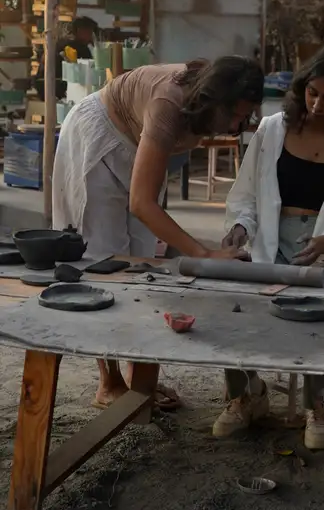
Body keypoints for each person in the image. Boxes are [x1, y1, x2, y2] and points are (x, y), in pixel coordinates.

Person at [52, 56, 264, 408]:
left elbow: (145, 204)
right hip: (98, 135)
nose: (236, 125)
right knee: (103, 263)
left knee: (142, 263)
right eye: (234, 115)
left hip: (134, 143)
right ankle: (109, 382)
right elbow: (142, 203)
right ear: (213, 99)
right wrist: (204, 255)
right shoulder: (169, 102)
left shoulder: (203, 102)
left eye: (244, 116)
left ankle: (139, 380)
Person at [214, 44, 324, 449]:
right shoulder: (272, 130)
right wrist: (239, 227)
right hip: (270, 243)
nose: (318, 105)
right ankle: (247, 395)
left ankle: (316, 403)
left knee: (314, 314)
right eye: (312, 93)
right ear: (301, 88)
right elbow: (246, 197)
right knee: (232, 304)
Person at [34, 16, 98, 100]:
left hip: (43, 86)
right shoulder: (77, 47)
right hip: (56, 88)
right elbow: (88, 71)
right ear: (80, 31)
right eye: (89, 32)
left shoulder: (62, 42)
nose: (91, 36)